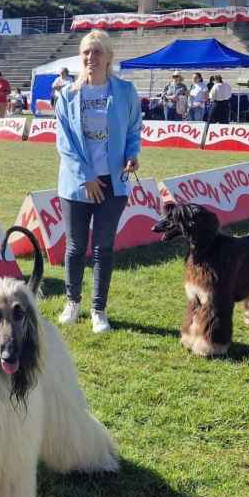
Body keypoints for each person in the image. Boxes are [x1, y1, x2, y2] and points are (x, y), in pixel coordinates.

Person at [54, 29, 141, 334]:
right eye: (86, 53)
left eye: (97, 52)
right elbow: (65, 143)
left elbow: (133, 130)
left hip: (113, 184)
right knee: (76, 247)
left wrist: (132, 155)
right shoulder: (67, 95)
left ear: (109, 57)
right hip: (77, 184)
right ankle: (72, 302)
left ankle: (98, 309)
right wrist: (86, 176)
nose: (91, 58)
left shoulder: (126, 92)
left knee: (104, 248)